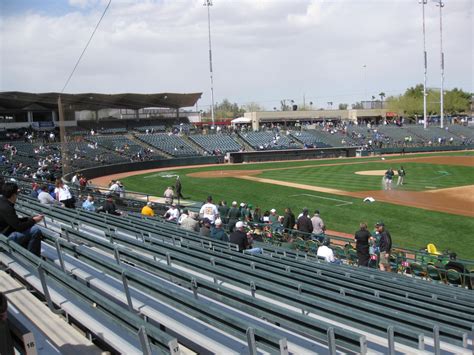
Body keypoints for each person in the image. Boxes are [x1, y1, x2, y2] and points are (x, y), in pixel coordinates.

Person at [0, 182, 43, 257]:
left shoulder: (2, 202)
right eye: (17, 193)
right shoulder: (7, 208)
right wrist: (34, 221)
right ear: (13, 195)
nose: (17, 195)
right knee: (35, 230)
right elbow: (19, 227)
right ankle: (34, 258)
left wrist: (29, 219)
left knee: (29, 228)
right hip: (3, 240)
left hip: (2, 235)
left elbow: (13, 221)